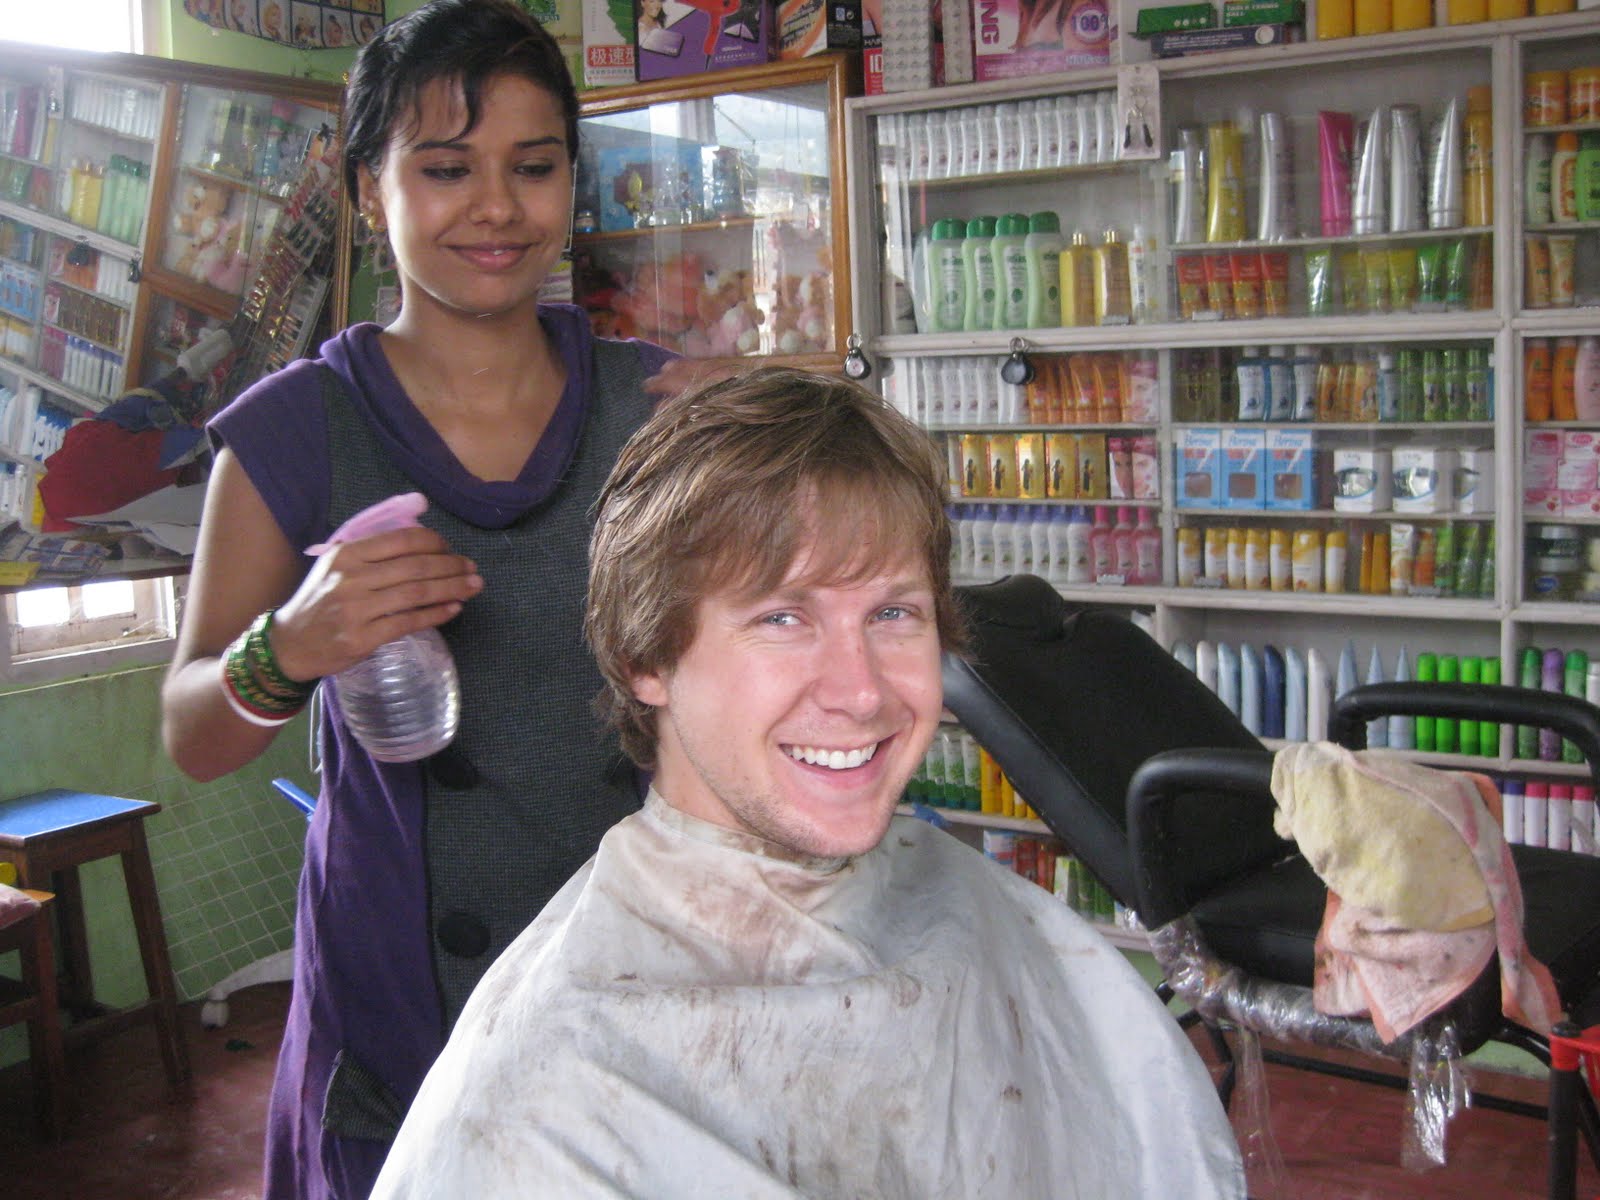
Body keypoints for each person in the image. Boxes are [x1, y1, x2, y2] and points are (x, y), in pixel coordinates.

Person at [370, 368, 1246, 1198]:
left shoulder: (968, 909)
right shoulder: (542, 1094)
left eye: (893, 613)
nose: (862, 692)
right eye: (783, 617)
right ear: (645, 656)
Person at [159, 1, 677, 1196]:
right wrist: (289, 647)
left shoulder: (658, 407)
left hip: (635, 956)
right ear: (366, 189)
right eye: (445, 169)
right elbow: (192, 733)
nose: (495, 207)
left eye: (533, 167)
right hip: (404, 990)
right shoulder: (294, 432)